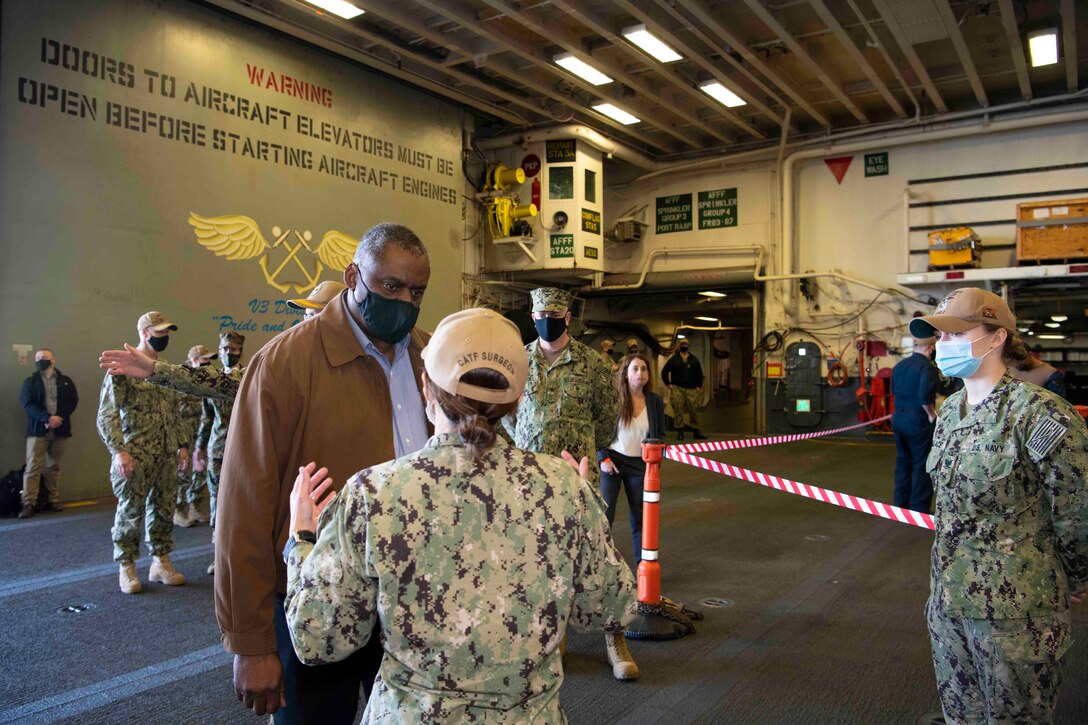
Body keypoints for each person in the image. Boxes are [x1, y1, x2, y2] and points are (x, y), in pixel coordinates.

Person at [100, 224, 432, 723]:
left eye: (417, 292)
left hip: (415, 606)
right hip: (316, 608)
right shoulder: (283, 365)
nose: (404, 301)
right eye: (390, 287)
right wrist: (251, 643)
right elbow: (244, 507)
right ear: (353, 276)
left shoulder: (430, 357)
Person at [284, 308, 635, 722]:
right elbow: (609, 608)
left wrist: (302, 541)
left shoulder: (373, 493)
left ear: (425, 386)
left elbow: (318, 639)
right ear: (517, 399)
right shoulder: (562, 489)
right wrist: (583, 507)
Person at [909, 287, 1088, 724]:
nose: (941, 346)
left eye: (954, 335)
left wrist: (1077, 575)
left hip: (1016, 615)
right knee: (961, 717)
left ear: (996, 337)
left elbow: (1077, 511)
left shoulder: (1041, 414)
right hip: (949, 603)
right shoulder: (950, 411)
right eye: (938, 337)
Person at [503, 287, 636, 680]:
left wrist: (577, 446)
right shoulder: (517, 360)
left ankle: (615, 639)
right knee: (534, 559)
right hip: (530, 477)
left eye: (554, 314)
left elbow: (606, 420)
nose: (546, 320)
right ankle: (550, 638)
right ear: (532, 315)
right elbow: (509, 416)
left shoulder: (594, 364)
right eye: (539, 314)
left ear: (567, 318)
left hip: (578, 477)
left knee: (596, 556)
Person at [96, 311, 189, 594]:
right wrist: (118, 451)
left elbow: (177, 412)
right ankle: (126, 565)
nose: (165, 337)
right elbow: (107, 413)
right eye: (160, 332)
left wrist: (182, 445)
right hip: (135, 454)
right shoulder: (123, 368)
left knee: (163, 509)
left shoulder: (165, 370)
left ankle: (161, 562)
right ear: (145, 332)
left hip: (165, 454)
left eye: (167, 332)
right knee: (130, 511)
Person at [598, 353, 666, 565]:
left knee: (640, 519)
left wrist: (655, 460)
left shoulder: (654, 401)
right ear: (626, 374)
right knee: (605, 517)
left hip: (641, 466)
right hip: (613, 462)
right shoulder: (615, 398)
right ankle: (601, 565)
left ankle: (642, 566)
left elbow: (661, 434)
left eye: (644, 369)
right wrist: (603, 458)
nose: (640, 373)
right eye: (635, 369)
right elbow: (598, 429)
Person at [195, 331, 246, 574]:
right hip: (217, 449)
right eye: (224, 349)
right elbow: (206, 418)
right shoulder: (212, 379)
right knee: (216, 501)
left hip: (242, 449)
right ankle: (219, 553)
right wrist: (198, 449)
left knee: (242, 501)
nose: (228, 353)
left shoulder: (249, 376)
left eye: (233, 350)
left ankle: (240, 554)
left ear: (240, 351)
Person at [19, 348, 78, 518]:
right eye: (37, 358)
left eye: (44, 357)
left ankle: (53, 500)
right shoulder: (30, 382)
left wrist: (59, 417)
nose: (40, 360)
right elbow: (27, 404)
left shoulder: (65, 381)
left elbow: (73, 401)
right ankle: (28, 503)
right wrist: (46, 418)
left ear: (53, 360)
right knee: (32, 467)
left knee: (53, 466)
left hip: (60, 430)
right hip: (38, 431)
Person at [890, 336, 938, 513]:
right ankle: (918, 507)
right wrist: (931, 415)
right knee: (922, 462)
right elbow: (925, 396)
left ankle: (900, 502)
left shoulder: (899, 366)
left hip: (898, 417)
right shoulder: (927, 368)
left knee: (903, 461)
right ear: (928, 348)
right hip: (917, 419)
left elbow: (893, 390)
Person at [175, 344, 216, 528]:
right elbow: (177, 410)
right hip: (184, 433)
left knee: (200, 471)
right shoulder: (181, 381)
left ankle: (194, 506)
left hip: (201, 434)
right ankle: (178, 510)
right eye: (203, 360)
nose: (207, 363)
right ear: (193, 360)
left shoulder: (206, 381)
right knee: (183, 472)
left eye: (209, 360)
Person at [662, 338, 706, 441]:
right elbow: (664, 372)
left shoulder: (694, 359)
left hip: (691, 389)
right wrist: (668, 384)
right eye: (682, 344)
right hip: (677, 388)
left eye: (685, 344)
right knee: (678, 409)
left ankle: (696, 431)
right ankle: (680, 431)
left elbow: (699, 374)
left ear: (688, 345)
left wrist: (699, 386)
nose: (684, 345)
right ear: (679, 346)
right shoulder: (674, 359)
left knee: (693, 409)